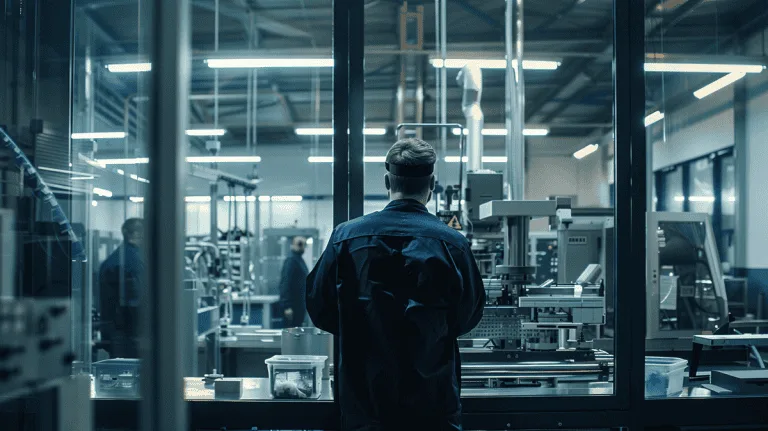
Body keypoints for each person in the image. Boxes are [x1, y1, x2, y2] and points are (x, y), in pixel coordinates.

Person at [307, 138, 485, 431]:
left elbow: (320, 306)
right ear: (432, 184)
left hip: (365, 402)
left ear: (388, 180)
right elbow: (468, 316)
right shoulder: (452, 243)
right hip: (432, 404)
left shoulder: (346, 237)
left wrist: (363, 328)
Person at [99, 218, 145, 358]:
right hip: (131, 335)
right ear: (137, 234)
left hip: (113, 332)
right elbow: (137, 303)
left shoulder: (112, 260)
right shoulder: (135, 263)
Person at [279, 236, 309, 327]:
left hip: (298, 305)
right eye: (299, 244)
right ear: (292, 245)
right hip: (292, 307)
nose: (302, 246)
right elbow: (285, 283)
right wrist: (287, 306)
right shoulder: (291, 260)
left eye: (303, 244)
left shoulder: (298, 259)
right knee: (291, 335)